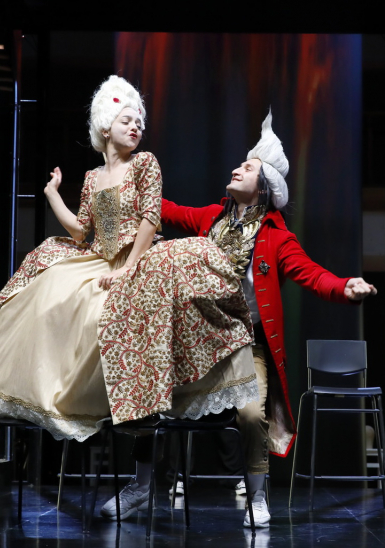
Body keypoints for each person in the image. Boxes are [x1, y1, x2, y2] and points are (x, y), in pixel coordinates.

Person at [0, 75, 258, 515]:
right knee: (48, 292)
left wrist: (128, 270)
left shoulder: (145, 164)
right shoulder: (91, 177)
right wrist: (52, 195)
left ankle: (146, 462)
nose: (136, 126)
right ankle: (54, 399)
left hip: (141, 263)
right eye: (126, 120)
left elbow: (151, 219)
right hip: (99, 262)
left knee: (127, 323)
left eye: (139, 121)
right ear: (105, 127)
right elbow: (81, 231)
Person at [160, 111, 377, 527]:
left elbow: (312, 274)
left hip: (247, 344)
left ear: (263, 187)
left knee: (249, 415)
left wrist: (344, 286)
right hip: (201, 341)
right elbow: (167, 210)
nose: (236, 168)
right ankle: (149, 483)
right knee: (158, 404)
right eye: (240, 164)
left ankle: (257, 496)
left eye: (248, 167)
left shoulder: (277, 238)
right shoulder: (210, 218)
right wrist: (130, 184)